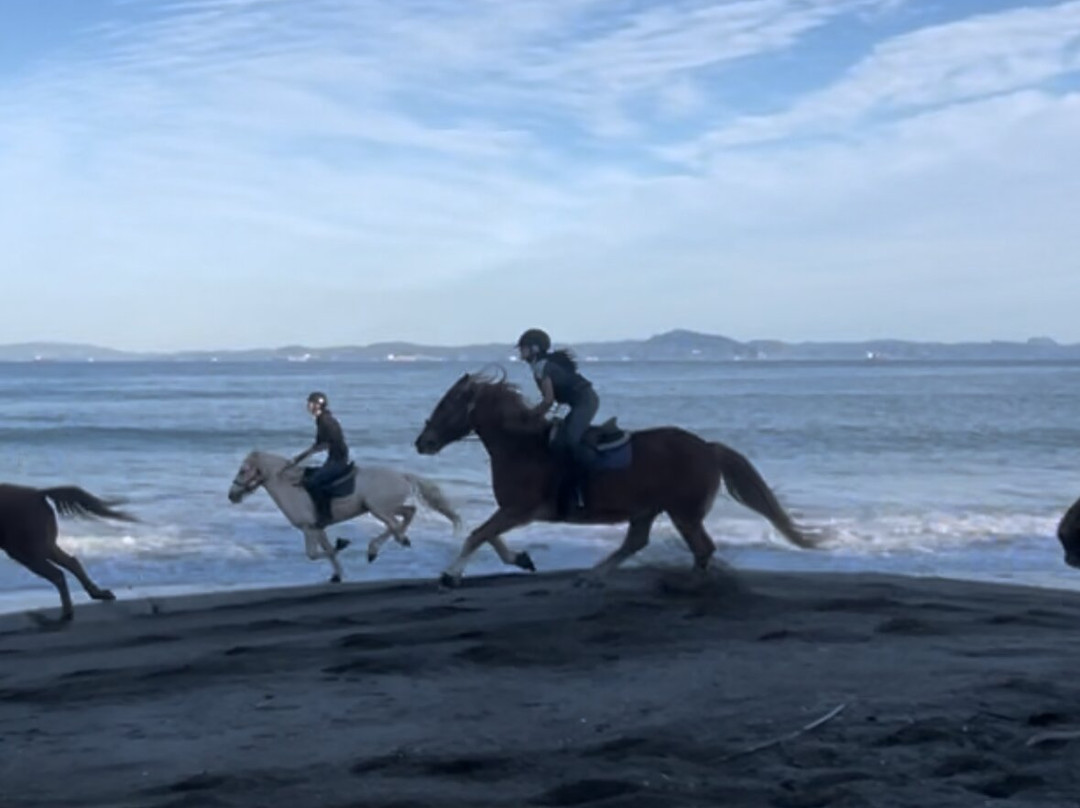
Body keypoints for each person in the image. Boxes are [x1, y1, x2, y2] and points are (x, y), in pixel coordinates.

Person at [516, 328, 599, 517]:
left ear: (535, 349)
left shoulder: (542, 366)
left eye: (523, 348)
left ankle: (585, 485)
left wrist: (530, 415)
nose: (520, 352)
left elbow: (548, 400)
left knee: (568, 442)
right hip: (577, 403)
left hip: (585, 402)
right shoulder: (539, 365)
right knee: (556, 440)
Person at [284, 391, 351, 527]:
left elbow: (325, 443)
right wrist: (299, 458)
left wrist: (300, 457)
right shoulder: (322, 420)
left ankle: (325, 516)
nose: (307, 406)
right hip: (334, 457)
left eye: (310, 403)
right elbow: (319, 444)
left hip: (338, 459)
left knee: (313, 483)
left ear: (317, 405)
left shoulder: (326, 421)